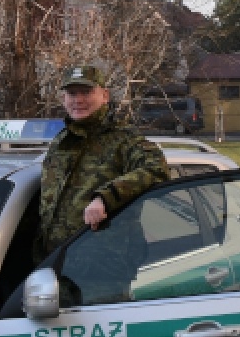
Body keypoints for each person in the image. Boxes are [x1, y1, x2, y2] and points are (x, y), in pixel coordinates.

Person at [37, 65, 169, 261]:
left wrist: (105, 197)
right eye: (72, 93)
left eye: (87, 92)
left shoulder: (123, 138)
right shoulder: (60, 142)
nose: (78, 100)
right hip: (55, 264)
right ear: (64, 98)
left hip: (103, 267)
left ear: (105, 95)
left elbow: (157, 169)